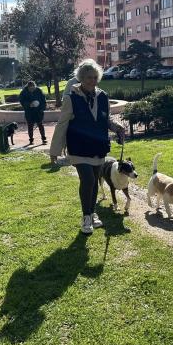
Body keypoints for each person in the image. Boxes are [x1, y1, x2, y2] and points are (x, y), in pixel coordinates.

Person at [50, 59, 125, 235]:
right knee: (88, 180)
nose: (91, 80)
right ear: (80, 78)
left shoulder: (103, 96)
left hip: (97, 146)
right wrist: (54, 150)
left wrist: (116, 127)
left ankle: (92, 214)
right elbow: (62, 124)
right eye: (87, 77)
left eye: (94, 77)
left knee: (94, 182)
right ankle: (86, 217)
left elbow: (106, 120)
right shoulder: (71, 98)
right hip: (78, 147)